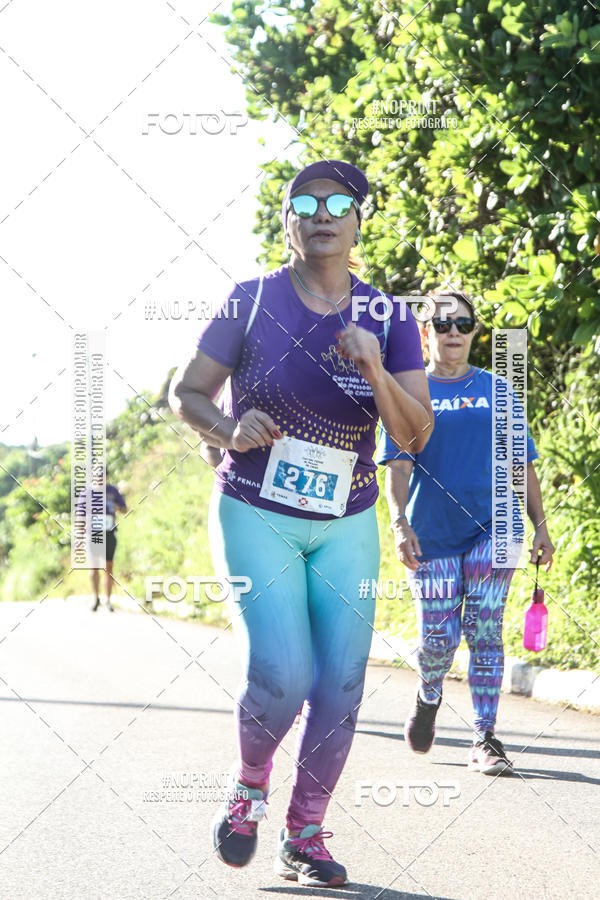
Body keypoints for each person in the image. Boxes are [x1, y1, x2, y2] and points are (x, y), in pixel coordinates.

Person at [169, 160, 433, 887]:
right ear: (287, 220)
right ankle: (249, 790)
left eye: (338, 202)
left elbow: (414, 438)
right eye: (304, 203)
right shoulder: (249, 300)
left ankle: (305, 832)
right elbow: (185, 392)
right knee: (283, 676)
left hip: (346, 519)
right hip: (256, 508)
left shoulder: (389, 317)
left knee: (342, 685)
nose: (321, 213)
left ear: (358, 221)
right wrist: (225, 426)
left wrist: (377, 371)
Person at [377, 290, 555, 775]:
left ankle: (485, 737)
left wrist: (540, 527)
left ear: (475, 332)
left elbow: (523, 464)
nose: (453, 332)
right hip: (430, 533)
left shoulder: (499, 389)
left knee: (484, 630)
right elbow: (396, 465)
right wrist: (399, 522)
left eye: (462, 324)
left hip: (495, 530)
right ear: (425, 334)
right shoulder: (407, 391)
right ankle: (429, 694)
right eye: (442, 324)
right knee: (438, 638)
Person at [88, 478, 127, 612]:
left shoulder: (113, 491)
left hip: (109, 532)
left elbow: (124, 509)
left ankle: (108, 600)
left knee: (108, 567)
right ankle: (95, 597)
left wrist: (117, 507)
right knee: (94, 567)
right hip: (94, 533)